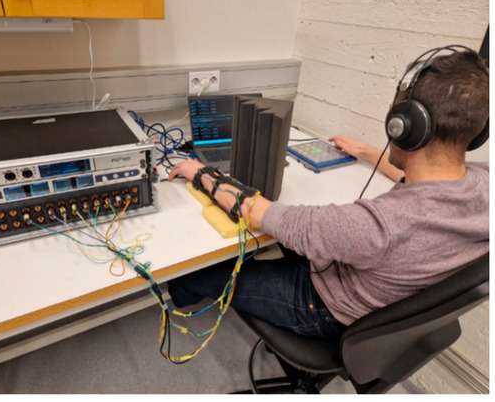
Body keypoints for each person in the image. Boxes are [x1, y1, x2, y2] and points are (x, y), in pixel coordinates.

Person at [166, 47, 489, 339]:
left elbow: (266, 215)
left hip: (324, 308)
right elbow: (415, 178)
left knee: (194, 272)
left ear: (404, 125)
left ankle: (179, 301)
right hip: (381, 294)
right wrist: (368, 152)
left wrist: (201, 173)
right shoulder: (485, 181)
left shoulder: (380, 225)